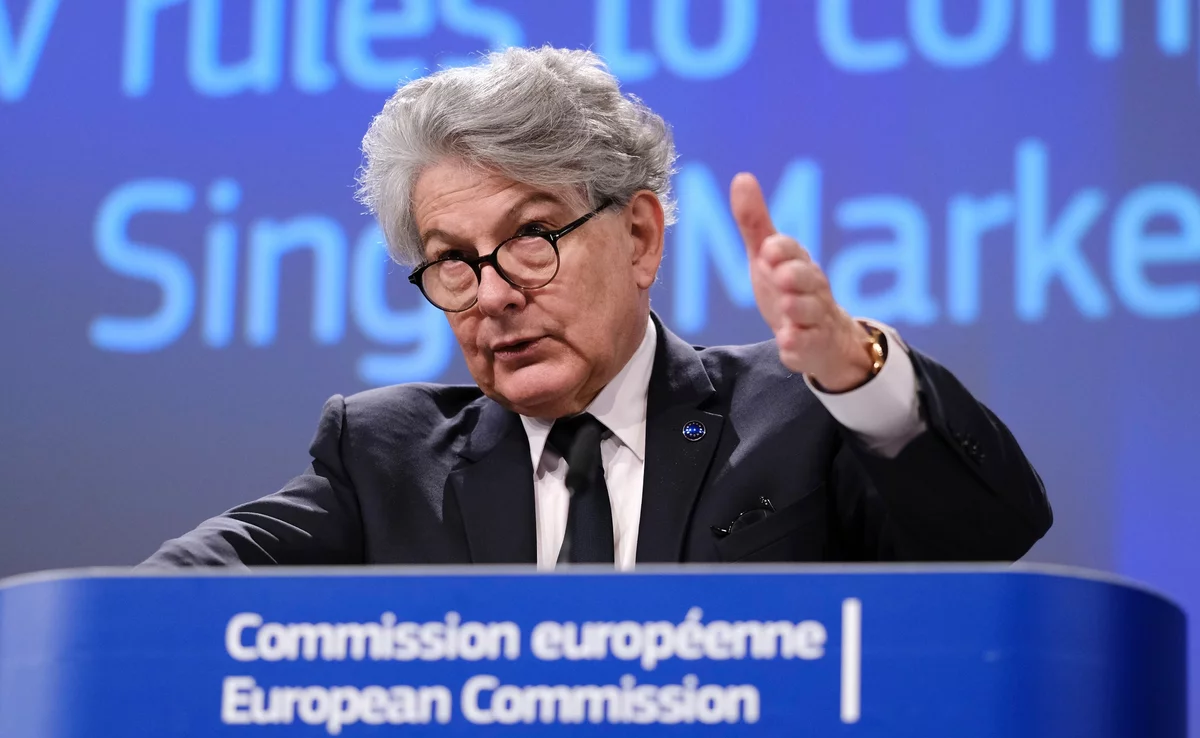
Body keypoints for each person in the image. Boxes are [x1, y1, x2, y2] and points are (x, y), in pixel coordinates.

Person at [143, 47, 1051, 569]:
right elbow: (166, 594)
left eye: (532, 236)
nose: (494, 294)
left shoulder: (797, 416)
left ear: (640, 237)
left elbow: (993, 535)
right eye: (453, 262)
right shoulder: (385, 459)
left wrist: (859, 378)